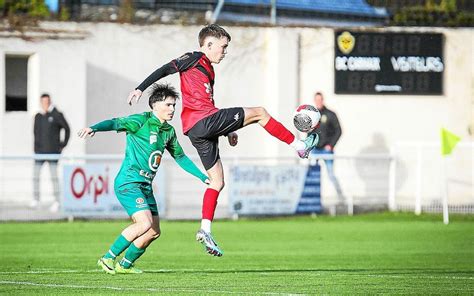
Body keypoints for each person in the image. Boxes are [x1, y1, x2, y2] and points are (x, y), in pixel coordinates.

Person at [127, 24, 318, 257]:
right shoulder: (193, 57)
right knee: (260, 113)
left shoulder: (208, 70)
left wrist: (227, 130)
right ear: (208, 44)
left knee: (216, 182)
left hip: (199, 129)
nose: (225, 51)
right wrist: (140, 88)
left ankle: (205, 229)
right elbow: (165, 69)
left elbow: (206, 105)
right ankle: (299, 146)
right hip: (203, 122)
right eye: (223, 46)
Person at [78, 83, 209, 274]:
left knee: (154, 231)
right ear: (155, 105)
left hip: (145, 186)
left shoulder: (169, 131)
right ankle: (107, 258)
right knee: (144, 223)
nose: (172, 109)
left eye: (174, 105)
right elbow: (115, 123)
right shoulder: (141, 121)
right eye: (168, 105)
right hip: (128, 182)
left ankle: (125, 265)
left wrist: (202, 177)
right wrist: (94, 128)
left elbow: (180, 157)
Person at [32, 93, 70, 212]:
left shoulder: (57, 114)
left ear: (50, 101)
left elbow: (67, 129)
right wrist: (36, 148)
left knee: (54, 177)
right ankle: (36, 199)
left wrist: (62, 145)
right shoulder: (38, 116)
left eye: (47, 101)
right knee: (35, 176)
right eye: (43, 102)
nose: (45, 104)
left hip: (53, 152)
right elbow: (35, 133)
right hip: (39, 152)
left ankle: (57, 201)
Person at [310, 92, 344, 203]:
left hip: (326, 150)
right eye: (316, 100)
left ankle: (341, 198)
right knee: (313, 176)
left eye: (320, 99)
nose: (318, 102)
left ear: (323, 100)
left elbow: (338, 131)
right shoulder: (311, 115)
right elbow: (308, 132)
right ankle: (312, 200)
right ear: (314, 101)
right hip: (315, 149)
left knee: (331, 175)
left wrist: (331, 145)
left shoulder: (330, 114)